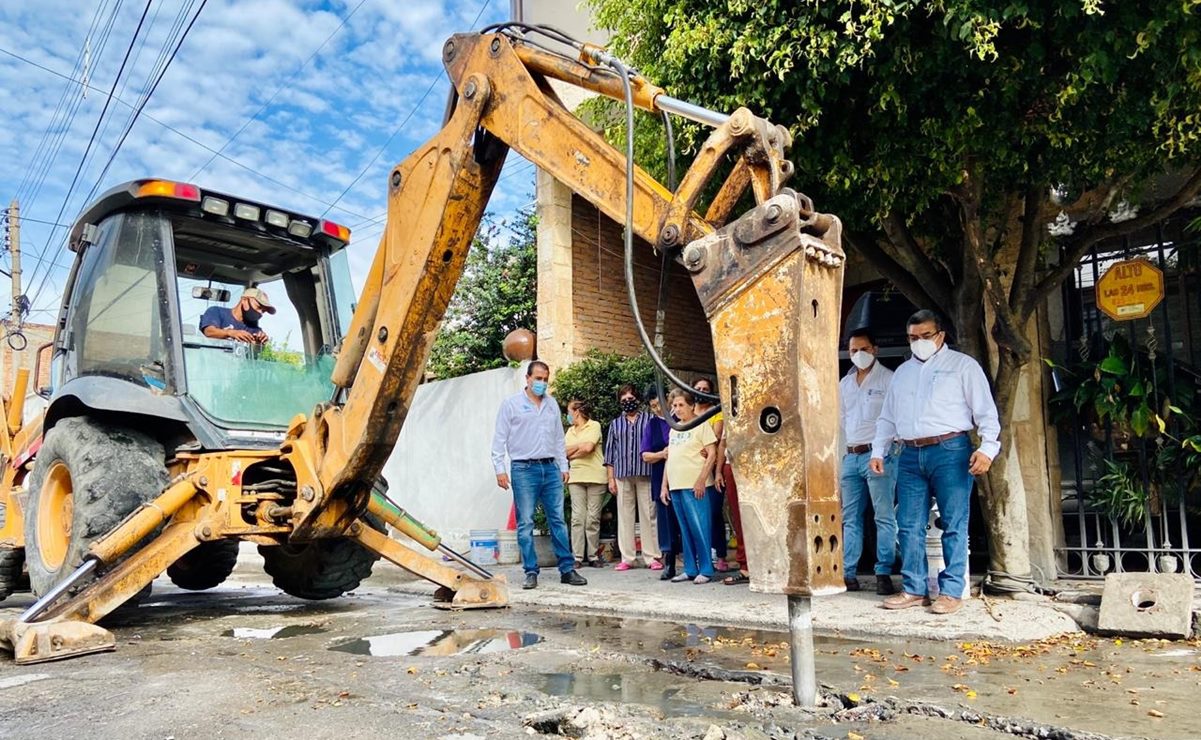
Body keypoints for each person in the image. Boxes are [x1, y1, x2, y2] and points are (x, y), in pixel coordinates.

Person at [870, 310, 1000, 615]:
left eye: (925, 336)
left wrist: (988, 449)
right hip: (910, 453)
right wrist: (878, 451)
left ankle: (951, 590)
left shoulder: (963, 367)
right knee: (909, 524)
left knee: (954, 522)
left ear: (940, 335)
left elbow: (986, 413)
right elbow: (888, 417)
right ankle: (913, 588)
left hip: (950, 449)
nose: (919, 342)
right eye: (913, 338)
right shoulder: (902, 373)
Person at [491, 361, 588, 590]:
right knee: (525, 522)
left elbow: (557, 438)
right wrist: (499, 469)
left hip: (551, 469)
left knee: (558, 520)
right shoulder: (511, 405)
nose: (542, 383)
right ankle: (531, 571)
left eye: (545, 379)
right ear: (527, 378)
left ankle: (567, 569)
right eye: (538, 378)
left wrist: (564, 466)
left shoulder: (552, 404)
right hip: (523, 470)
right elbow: (499, 439)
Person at [839, 328, 898, 595]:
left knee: (883, 516)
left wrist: (885, 451)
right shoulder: (845, 384)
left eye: (863, 349)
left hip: (879, 456)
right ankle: (847, 572)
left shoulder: (888, 379)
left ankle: (883, 572)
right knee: (850, 517)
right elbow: (840, 423)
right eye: (853, 350)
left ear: (874, 349)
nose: (858, 355)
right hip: (851, 456)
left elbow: (895, 419)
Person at [661, 388, 720, 584]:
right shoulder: (674, 428)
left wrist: (702, 479)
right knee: (684, 529)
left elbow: (712, 453)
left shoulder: (701, 424)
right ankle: (690, 568)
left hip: (695, 485)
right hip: (676, 484)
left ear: (691, 405)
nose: (677, 409)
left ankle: (706, 569)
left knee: (700, 527)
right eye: (674, 406)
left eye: (681, 405)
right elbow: (670, 458)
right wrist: (664, 485)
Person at [604, 385, 662, 571]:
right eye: (623, 400)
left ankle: (651, 556)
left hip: (646, 471)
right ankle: (627, 558)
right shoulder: (615, 424)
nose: (627, 403)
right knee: (625, 516)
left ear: (637, 399)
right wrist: (610, 478)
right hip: (622, 474)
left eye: (630, 399)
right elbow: (610, 454)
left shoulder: (650, 419)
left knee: (649, 515)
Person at [640, 386, 682, 581]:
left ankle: (692, 560)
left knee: (684, 519)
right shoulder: (652, 425)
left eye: (659, 404)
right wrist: (662, 454)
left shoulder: (680, 420)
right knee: (665, 521)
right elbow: (645, 455)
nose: (657, 409)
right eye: (653, 406)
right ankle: (669, 562)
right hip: (659, 476)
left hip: (682, 474)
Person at [564, 399, 607, 568]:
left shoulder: (594, 425)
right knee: (577, 518)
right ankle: (577, 557)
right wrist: (578, 447)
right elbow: (562, 451)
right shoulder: (570, 431)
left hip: (596, 476)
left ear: (576, 412)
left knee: (592, 518)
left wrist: (572, 453)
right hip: (576, 478)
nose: (568, 415)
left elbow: (588, 447)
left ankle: (593, 555)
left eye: (569, 411)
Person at [693, 377, 729, 572]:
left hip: (713, 466)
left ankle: (721, 555)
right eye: (698, 388)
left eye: (705, 389)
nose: (701, 391)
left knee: (714, 513)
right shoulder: (687, 413)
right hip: (692, 468)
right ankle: (702, 555)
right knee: (696, 514)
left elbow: (715, 438)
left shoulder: (717, 414)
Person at [714, 424, 750, 586]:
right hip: (731, 464)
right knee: (739, 518)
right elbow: (723, 443)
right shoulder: (731, 415)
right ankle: (745, 567)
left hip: (752, 465)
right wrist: (718, 471)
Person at [200, 287, 273, 343]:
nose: (260, 313)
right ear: (244, 300)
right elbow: (209, 332)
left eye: (263, 311)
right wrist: (231, 333)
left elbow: (253, 355)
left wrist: (258, 344)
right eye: (259, 307)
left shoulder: (254, 329)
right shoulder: (216, 311)